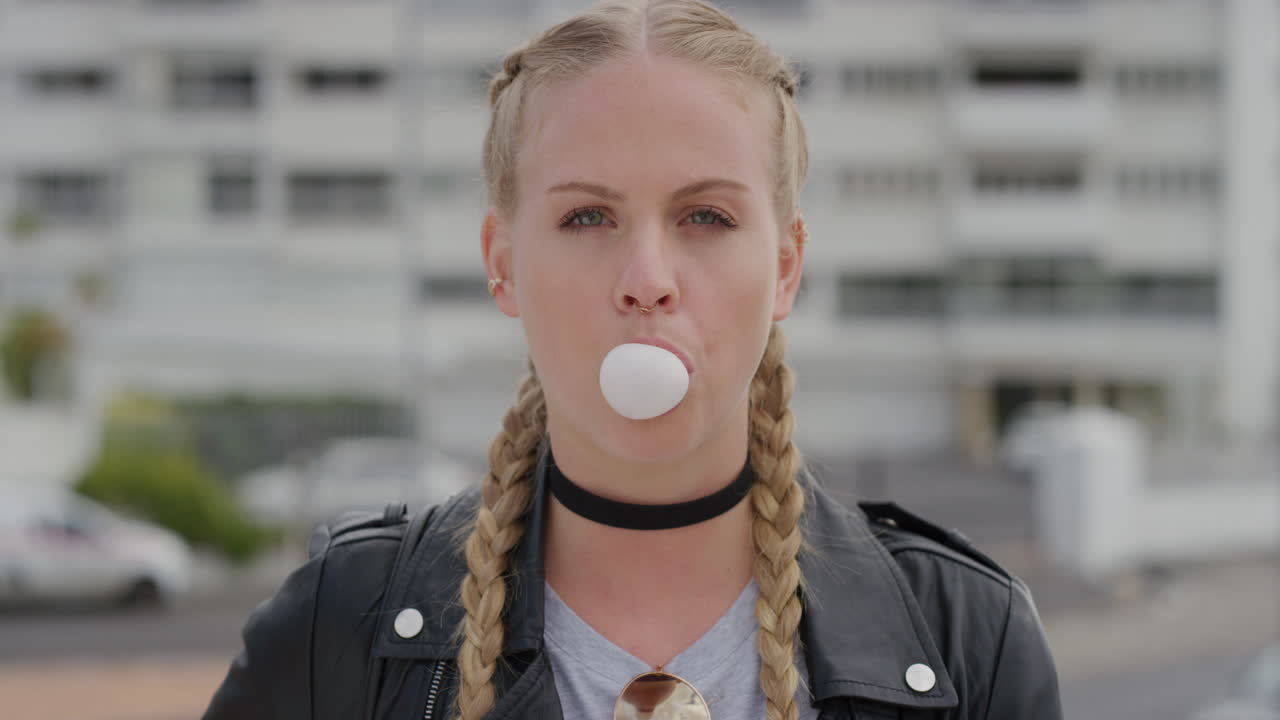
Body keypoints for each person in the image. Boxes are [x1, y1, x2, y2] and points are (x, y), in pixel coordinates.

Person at [202, 1, 1062, 719]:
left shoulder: (967, 639)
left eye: (706, 218)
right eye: (586, 218)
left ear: (786, 266)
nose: (647, 281)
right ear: (502, 264)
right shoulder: (338, 629)